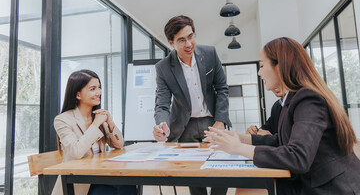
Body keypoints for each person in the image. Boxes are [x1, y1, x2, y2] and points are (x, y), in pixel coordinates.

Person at [206, 37, 360, 195]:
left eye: (261, 65)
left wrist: (239, 148)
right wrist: (238, 137)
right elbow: (281, 140)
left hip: (329, 187)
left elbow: (298, 157)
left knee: (248, 189)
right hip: (309, 178)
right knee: (246, 188)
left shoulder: (307, 99)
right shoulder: (290, 101)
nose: (259, 72)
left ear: (279, 66)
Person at [153, 15, 231, 195]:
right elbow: (162, 103)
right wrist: (161, 124)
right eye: (181, 40)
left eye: (191, 36)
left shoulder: (210, 54)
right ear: (170, 42)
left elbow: (222, 88)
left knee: (220, 170)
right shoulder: (163, 68)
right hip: (184, 126)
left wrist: (220, 120)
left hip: (213, 122)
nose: (189, 44)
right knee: (194, 176)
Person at [52, 70, 137, 195]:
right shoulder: (63, 120)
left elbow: (118, 145)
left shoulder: (98, 115)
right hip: (79, 181)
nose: (99, 93)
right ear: (78, 95)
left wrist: (110, 123)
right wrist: (96, 124)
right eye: (93, 89)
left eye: (99, 88)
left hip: (99, 176)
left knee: (128, 184)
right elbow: (76, 152)